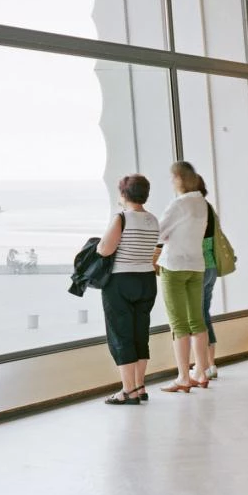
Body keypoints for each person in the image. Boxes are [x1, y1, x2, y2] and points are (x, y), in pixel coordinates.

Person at [97, 174, 160, 406]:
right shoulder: (153, 220)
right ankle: (140, 386)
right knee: (140, 334)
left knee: (121, 335)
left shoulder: (121, 218)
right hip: (146, 280)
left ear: (124, 194)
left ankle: (128, 390)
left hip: (121, 282)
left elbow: (104, 249)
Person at [155, 161, 212, 392]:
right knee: (197, 321)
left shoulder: (179, 204)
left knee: (178, 324)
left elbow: (158, 233)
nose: (171, 182)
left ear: (179, 178)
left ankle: (183, 377)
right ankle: (201, 372)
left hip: (174, 265)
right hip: (196, 265)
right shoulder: (201, 203)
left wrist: (168, 236)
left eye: (172, 178)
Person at [192, 175, 220, 384]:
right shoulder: (208, 207)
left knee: (197, 317)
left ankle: (203, 366)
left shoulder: (193, 209)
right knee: (204, 314)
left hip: (198, 268)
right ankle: (210, 364)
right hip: (211, 266)